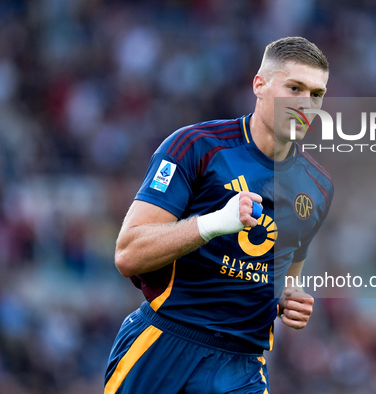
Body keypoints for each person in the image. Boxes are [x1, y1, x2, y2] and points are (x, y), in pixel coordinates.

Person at [105, 36, 333, 394]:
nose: (306, 103)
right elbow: (128, 254)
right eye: (294, 87)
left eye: (316, 94)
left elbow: (286, 275)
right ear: (260, 84)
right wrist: (213, 224)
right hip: (165, 344)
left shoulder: (317, 188)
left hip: (241, 366)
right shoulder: (196, 147)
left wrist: (291, 296)